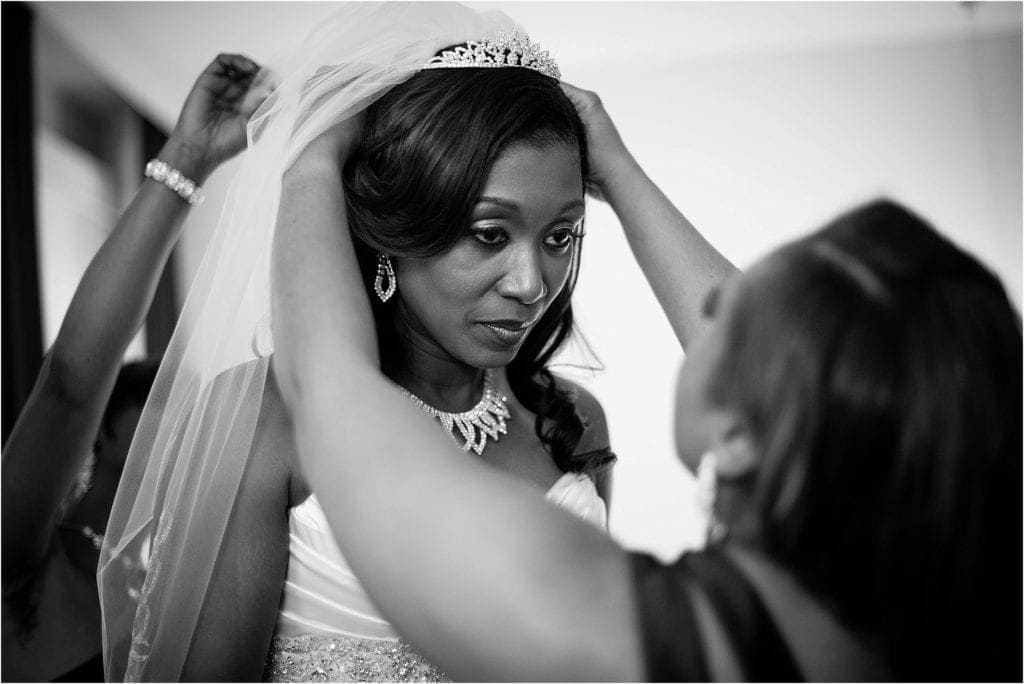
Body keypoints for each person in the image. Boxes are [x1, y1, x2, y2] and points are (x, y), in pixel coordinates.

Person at [271, 72, 1023, 680]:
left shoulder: (635, 641)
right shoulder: (931, 622)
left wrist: (312, 164)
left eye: (724, 314)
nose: (704, 312)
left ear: (739, 434)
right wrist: (619, 171)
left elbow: (334, 389)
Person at [99, 5, 614, 681]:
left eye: (560, 236)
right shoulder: (267, 416)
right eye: (490, 233)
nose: (530, 283)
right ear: (394, 232)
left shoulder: (570, 419)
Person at [1, 54, 266, 681]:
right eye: (159, 426)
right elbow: (69, 382)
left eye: (195, 434)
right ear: (98, 440)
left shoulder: (209, 595)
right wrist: (188, 159)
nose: (184, 451)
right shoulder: (21, 570)